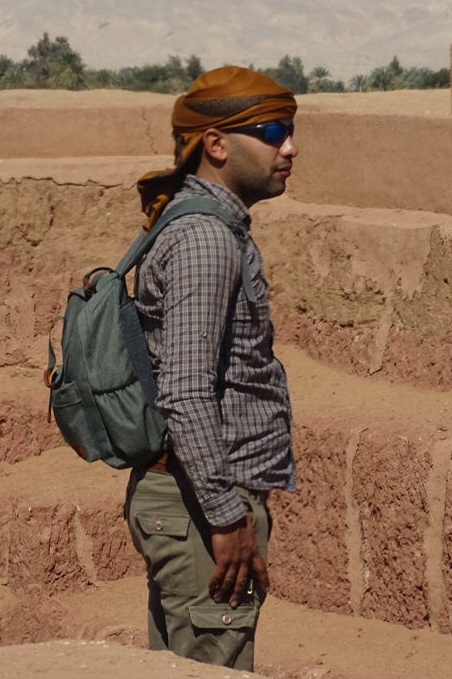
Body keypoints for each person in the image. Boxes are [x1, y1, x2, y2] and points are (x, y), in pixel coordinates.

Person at [124, 66, 298, 671]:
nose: (290, 147)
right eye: (273, 131)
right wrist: (228, 517)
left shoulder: (202, 225)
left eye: (290, 130)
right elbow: (186, 393)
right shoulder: (205, 238)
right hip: (201, 508)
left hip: (192, 500)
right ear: (216, 145)